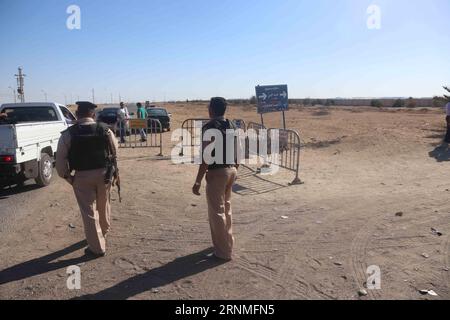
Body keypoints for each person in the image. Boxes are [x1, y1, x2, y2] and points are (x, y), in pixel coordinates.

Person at [56, 101, 119, 257]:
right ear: (93, 114)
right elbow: (115, 149)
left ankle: (97, 248)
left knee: (88, 212)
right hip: (104, 174)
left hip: (82, 176)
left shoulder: (68, 134)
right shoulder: (105, 130)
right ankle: (103, 231)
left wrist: (68, 177)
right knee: (104, 205)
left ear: (77, 115)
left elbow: (60, 160)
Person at [192, 97, 239, 261]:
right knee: (227, 209)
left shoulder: (209, 127)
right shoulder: (232, 125)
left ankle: (223, 252)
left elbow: (205, 157)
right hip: (231, 170)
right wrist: (235, 168)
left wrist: (198, 180)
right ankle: (227, 243)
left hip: (218, 172)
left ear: (211, 109)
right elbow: (237, 149)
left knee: (217, 213)